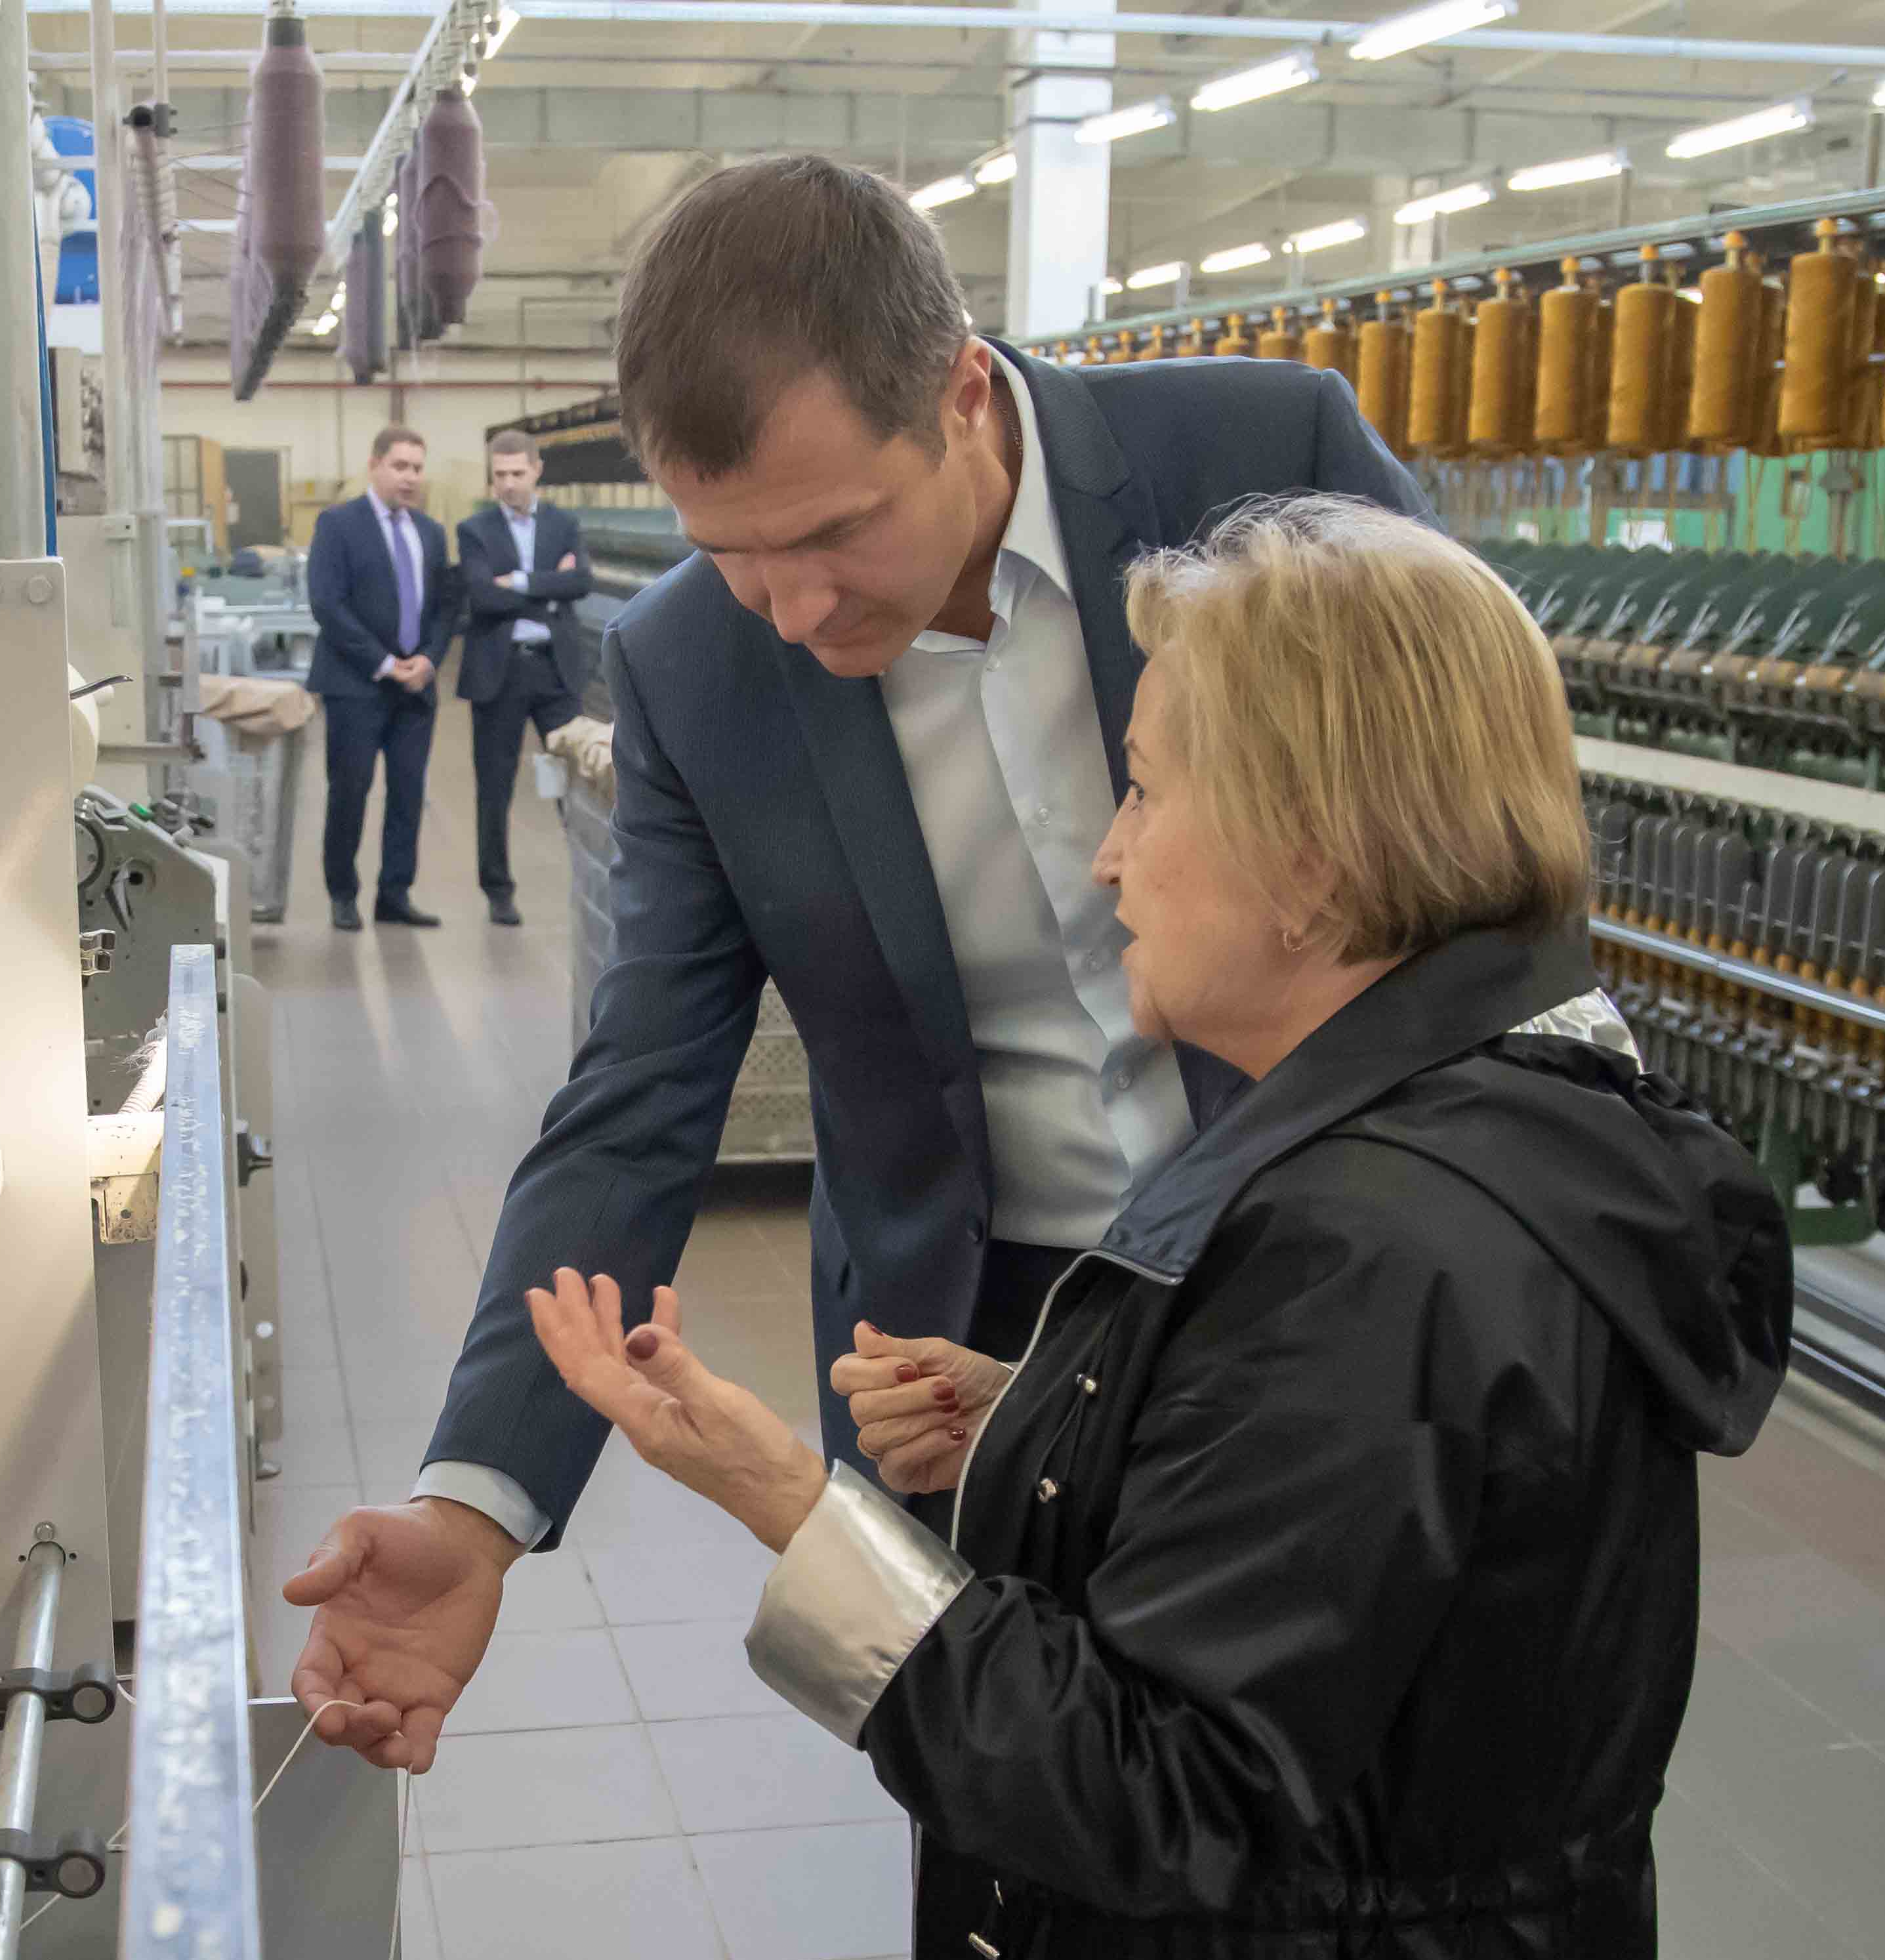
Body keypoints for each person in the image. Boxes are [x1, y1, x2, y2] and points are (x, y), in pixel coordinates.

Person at [526, 496, 1793, 1960]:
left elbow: (1151, 1781)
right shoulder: (1469, 1138)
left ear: (1311, 853)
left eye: (1145, 787)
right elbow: (1350, 1558)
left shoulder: (1379, 1244)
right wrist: (1059, 1414)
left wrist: (785, 1499)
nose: (1109, 852)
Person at [283, 154, 1432, 1773]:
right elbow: (637, 1093)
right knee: (1003, 1807)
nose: (792, 607)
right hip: (949, 1357)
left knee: (1348, 1778)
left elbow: (1475, 844)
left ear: (961, 395)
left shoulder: (1262, 468)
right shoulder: (692, 666)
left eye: (834, 532)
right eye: (732, 551)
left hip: (1327, 1282)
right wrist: (471, 1504)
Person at [304, 423, 457, 930]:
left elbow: (444, 607)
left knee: (408, 794)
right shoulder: (338, 524)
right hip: (356, 686)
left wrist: (429, 660)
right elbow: (328, 604)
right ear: (374, 466)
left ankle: (395, 894)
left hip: (416, 688)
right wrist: (386, 664)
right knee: (350, 792)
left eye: (417, 468)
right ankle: (342, 893)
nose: (410, 477)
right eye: (400, 466)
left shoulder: (430, 532)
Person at [451, 428, 596, 927]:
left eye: (517, 473)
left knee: (577, 779)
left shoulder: (563, 523)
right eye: (500, 475)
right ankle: (498, 890)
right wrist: (549, 590)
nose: (509, 484)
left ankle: (591, 879)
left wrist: (517, 582)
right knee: (495, 788)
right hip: (500, 672)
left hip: (555, 671)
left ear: (537, 471)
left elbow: (582, 582)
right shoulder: (474, 530)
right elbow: (480, 595)